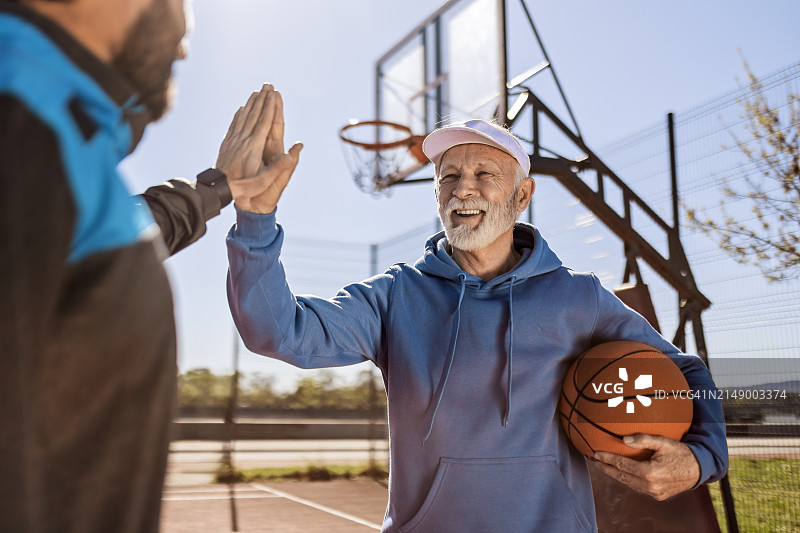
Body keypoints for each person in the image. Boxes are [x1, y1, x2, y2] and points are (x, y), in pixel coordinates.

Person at [225, 108, 728, 531]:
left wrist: (701, 458)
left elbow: (686, 372)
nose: (464, 190)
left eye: (486, 175)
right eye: (449, 177)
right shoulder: (395, 296)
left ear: (522, 195)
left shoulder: (578, 298)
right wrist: (255, 218)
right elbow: (277, 330)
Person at [0, 1, 299, 531]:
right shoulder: (22, 129)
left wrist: (218, 189)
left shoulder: (51, 139)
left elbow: (104, 234)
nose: (184, 40)